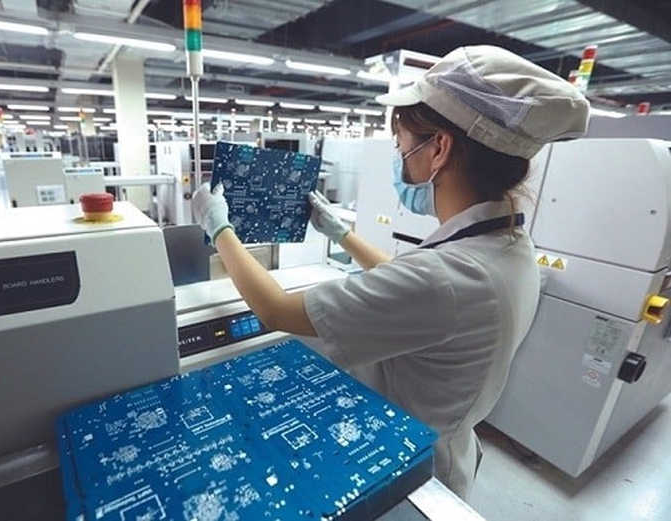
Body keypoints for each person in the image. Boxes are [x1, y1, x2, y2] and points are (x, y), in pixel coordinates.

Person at [192, 45, 590, 500]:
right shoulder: (510, 246)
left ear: (438, 148)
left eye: (401, 144)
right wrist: (341, 233)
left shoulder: (449, 278)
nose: (400, 158)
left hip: (412, 461)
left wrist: (219, 226)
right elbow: (416, 287)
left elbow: (276, 309)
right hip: (444, 440)